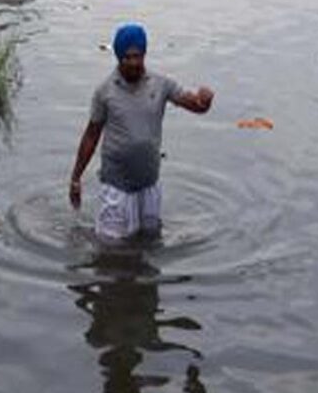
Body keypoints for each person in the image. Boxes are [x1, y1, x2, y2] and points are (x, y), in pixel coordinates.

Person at [69, 23, 214, 240]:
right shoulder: (105, 92)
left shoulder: (161, 85)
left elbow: (195, 105)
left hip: (149, 184)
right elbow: (91, 135)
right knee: (110, 248)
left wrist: (204, 101)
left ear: (144, 54)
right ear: (118, 58)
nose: (133, 63)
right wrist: (76, 177)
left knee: (151, 240)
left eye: (137, 56)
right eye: (127, 57)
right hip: (117, 188)